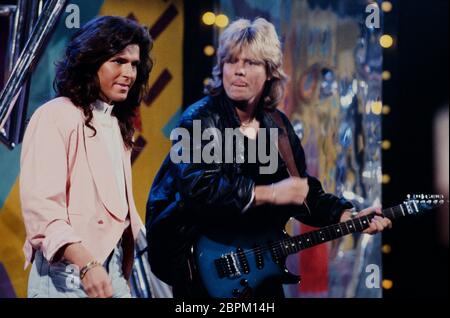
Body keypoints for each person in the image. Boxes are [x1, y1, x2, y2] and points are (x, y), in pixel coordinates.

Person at [146, 18, 391, 298]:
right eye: (231, 61)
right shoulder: (200, 119)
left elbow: (299, 189)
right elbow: (200, 190)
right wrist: (270, 193)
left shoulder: (278, 126)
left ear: (270, 73)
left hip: (261, 270)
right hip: (206, 272)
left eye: (250, 63)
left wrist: (347, 214)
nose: (238, 71)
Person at [20, 16, 153, 298]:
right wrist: (86, 263)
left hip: (111, 269)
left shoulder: (116, 123)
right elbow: (43, 210)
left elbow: (115, 210)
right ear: (90, 62)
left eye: (134, 64)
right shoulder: (55, 115)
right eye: (119, 61)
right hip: (66, 275)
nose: (130, 73)